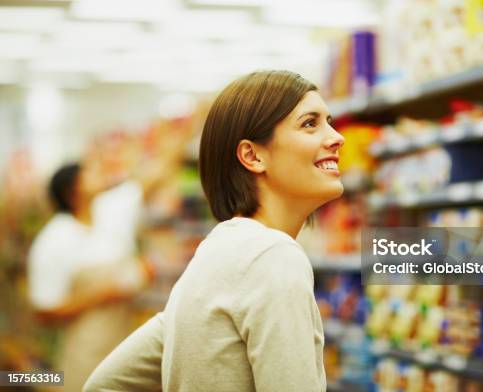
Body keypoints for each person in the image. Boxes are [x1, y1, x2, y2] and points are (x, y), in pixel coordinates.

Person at [84, 70, 345, 391]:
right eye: (310, 123)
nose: (336, 136)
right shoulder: (273, 257)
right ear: (252, 155)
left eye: (329, 121)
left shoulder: (215, 254)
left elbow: (103, 385)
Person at [28, 124, 191, 391]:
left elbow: (159, 171)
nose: (100, 170)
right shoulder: (53, 240)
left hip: (124, 341)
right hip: (84, 353)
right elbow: (44, 311)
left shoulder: (111, 210)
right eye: (88, 172)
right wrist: (102, 293)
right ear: (73, 191)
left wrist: (185, 127)